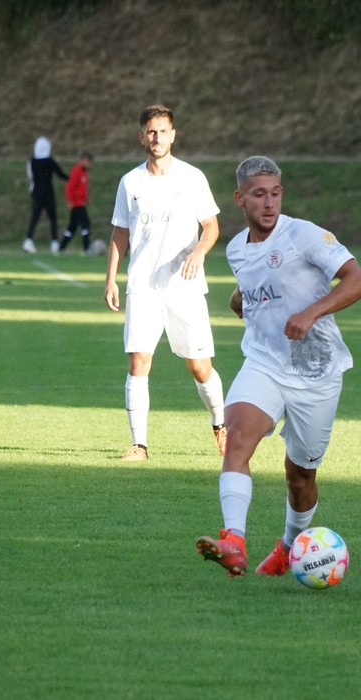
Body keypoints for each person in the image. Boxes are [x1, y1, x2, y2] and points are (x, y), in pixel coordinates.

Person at [196, 155, 361, 578]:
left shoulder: (304, 234)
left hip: (316, 372)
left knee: (300, 476)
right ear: (239, 198)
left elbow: (359, 281)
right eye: (259, 194)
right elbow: (252, 287)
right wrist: (241, 299)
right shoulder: (236, 249)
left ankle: (289, 546)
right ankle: (233, 541)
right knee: (237, 437)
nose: (269, 202)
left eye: (275, 193)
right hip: (264, 363)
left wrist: (311, 312)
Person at [104, 104, 227, 462]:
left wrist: (199, 253)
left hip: (184, 286)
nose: (156, 137)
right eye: (150, 131)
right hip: (142, 286)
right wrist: (111, 279)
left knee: (199, 366)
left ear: (173, 135)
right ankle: (139, 445)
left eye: (162, 131)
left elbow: (211, 226)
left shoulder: (192, 178)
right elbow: (120, 233)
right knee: (138, 362)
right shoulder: (130, 182)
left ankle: (221, 425)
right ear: (141, 136)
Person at [22, 136, 68, 254]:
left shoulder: (32, 161)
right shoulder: (49, 161)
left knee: (35, 217)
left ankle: (28, 241)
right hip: (48, 192)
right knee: (53, 218)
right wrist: (71, 179)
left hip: (36, 192)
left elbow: (30, 176)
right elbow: (60, 174)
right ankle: (54, 243)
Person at [59, 150, 93, 254]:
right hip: (77, 204)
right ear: (81, 161)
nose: (89, 165)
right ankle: (86, 249)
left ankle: (61, 249)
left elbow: (81, 189)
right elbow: (69, 187)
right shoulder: (76, 171)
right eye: (87, 162)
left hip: (80, 203)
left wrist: (86, 198)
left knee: (72, 227)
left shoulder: (84, 173)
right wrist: (70, 201)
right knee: (85, 223)